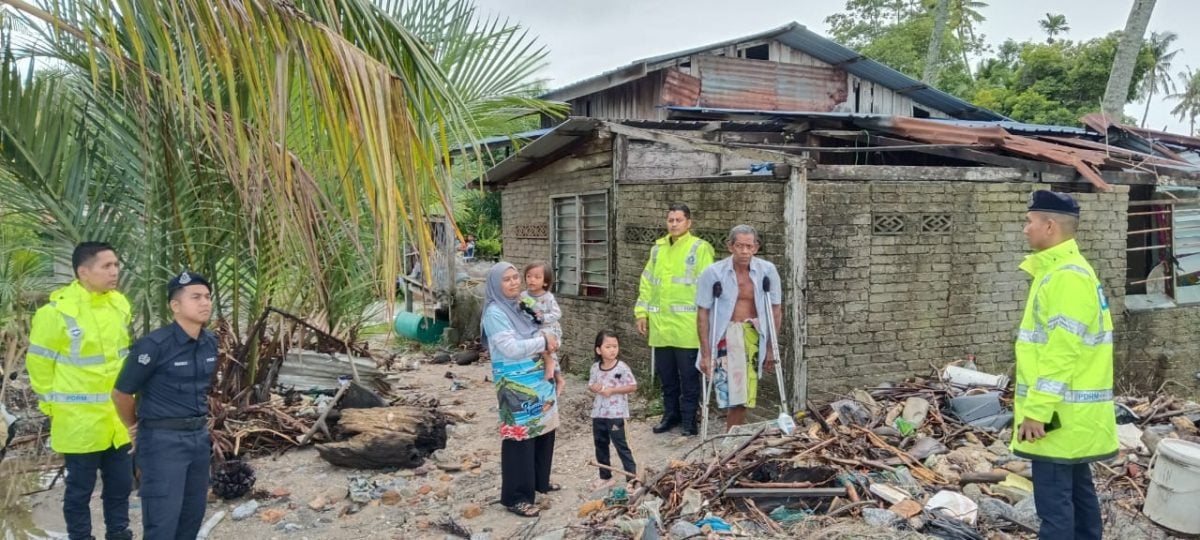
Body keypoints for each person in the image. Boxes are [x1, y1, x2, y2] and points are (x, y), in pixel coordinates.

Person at [1013, 191, 1117, 540]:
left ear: (1049, 225)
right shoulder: (1067, 271)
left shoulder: (1065, 277)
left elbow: (1061, 351)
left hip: (1056, 420)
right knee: (1079, 498)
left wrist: (1037, 411)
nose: (1025, 229)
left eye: (1029, 222)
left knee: (1055, 510)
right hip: (1073, 420)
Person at [27, 242, 134, 540]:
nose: (115, 271)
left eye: (116, 265)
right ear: (83, 272)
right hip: (79, 422)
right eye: (107, 266)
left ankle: (119, 534)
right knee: (79, 492)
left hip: (117, 421)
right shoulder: (56, 313)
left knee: (120, 487)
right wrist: (51, 407)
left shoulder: (119, 304)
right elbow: (39, 365)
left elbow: (123, 361)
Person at [112, 270, 217, 540]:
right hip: (162, 442)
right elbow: (121, 393)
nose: (205, 302)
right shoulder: (154, 345)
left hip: (198, 438)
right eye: (196, 297)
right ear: (175, 305)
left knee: (191, 516)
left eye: (207, 296)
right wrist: (135, 427)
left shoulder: (209, 343)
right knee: (162, 522)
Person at [481, 262, 561, 518]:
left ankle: (539, 482)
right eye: (507, 279)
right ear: (495, 284)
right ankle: (516, 496)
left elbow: (543, 327)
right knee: (519, 438)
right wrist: (544, 342)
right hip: (515, 385)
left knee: (543, 430)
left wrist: (553, 366)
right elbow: (511, 349)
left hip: (540, 378)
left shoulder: (521, 305)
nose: (514, 282)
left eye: (516, 277)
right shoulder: (494, 313)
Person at [635, 203, 715, 436]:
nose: (673, 224)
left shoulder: (700, 249)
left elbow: (707, 287)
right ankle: (671, 415)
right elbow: (647, 282)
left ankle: (690, 420)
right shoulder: (658, 249)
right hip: (661, 328)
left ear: (688, 222)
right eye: (670, 220)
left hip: (687, 328)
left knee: (690, 379)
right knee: (667, 378)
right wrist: (642, 312)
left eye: (678, 220)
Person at [696, 225, 782, 431]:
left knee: (743, 394)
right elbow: (702, 313)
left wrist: (771, 348)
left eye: (749, 246)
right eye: (740, 246)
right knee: (728, 393)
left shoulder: (767, 271)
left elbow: (776, 310)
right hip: (724, 336)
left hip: (752, 336)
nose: (744, 251)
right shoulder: (713, 273)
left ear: (756, 247)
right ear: (730, 246)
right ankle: (730, 438)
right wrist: (706, 354)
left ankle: (731, 439)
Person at [587, 330, 638, 490]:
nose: (612, 350)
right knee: (600, 444)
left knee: (621, 445)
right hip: (598, 413)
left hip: (616, 413)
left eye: (615, 346)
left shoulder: (621, 368)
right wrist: (595, 387)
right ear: (598, 350)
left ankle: (632, 478)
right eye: (608, 346)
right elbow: (591, 384)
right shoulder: (595, 368)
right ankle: (605, 476)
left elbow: (633, 386)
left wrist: (613, 391)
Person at [521, 261, 566, 394]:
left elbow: (558, 313)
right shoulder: (523, 296)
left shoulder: (548, 297)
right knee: (548, 352)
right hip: (534, 329)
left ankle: (550, 367)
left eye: (537, 277)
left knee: (546, 345)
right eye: (529, 276)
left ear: (545, 282)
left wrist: (544, 317)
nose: (532, 280)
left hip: (550, 329)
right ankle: (558, 378)